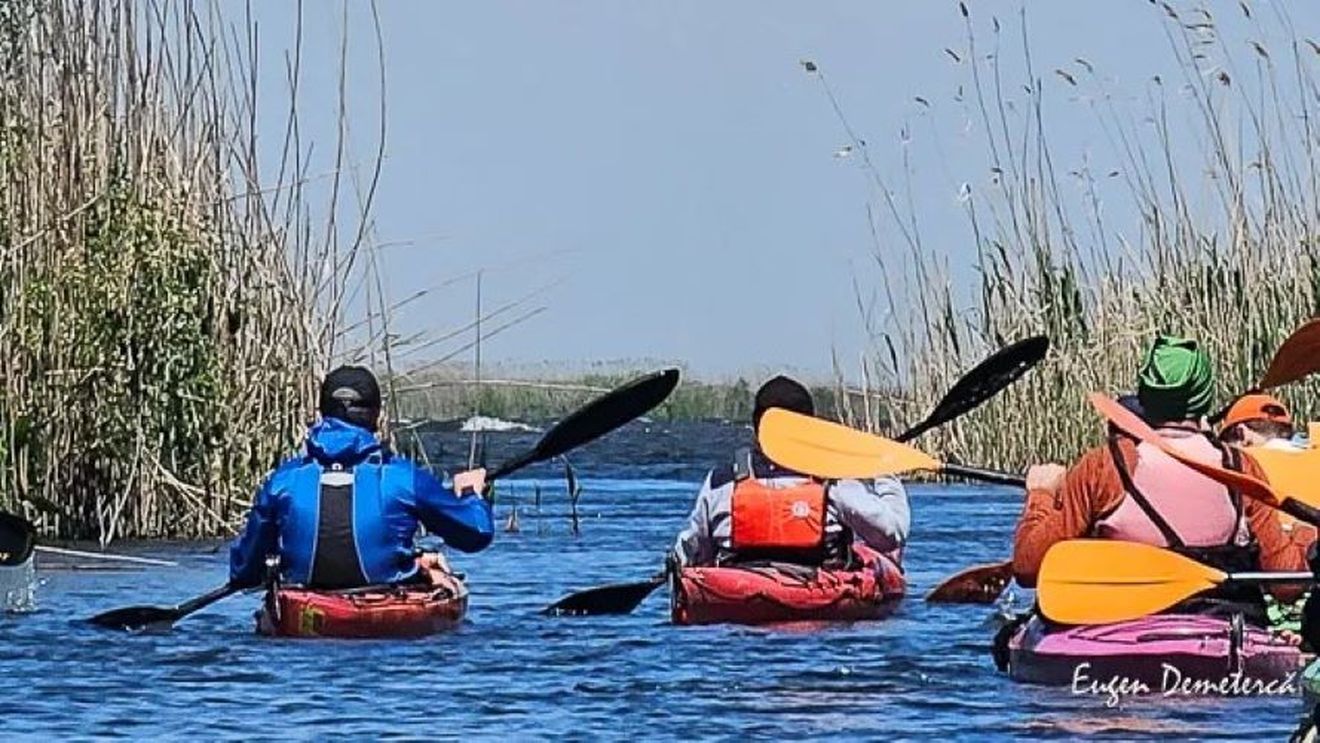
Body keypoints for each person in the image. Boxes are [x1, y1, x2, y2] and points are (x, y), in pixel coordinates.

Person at [1012, 335, 1307, 616]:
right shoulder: (1240, 467)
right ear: (1204, 396)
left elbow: (1028, 568)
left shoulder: (1104, 467)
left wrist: (1041, 495)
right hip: (1218, 629)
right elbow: (1287, 586)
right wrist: (1305, 537)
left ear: (1145, 394)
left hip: (1119, 630)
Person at [229, 366, 495, 591]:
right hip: (386, 601)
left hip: (304, 606)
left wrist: (415, 561)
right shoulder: (403, 477)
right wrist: (472, 493)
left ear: (322, 413)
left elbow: (245, 573)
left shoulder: (283, 481)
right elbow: (476, 534)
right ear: (377, 416)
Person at [670, 375, 910, 570]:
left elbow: (695, 551)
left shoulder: (721, 483)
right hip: (815, 597)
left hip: (736, 597)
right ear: (810, 426)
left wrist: (675, 566)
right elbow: (890, 535)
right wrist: (885, 470)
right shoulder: (834, 481)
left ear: (756, 423)